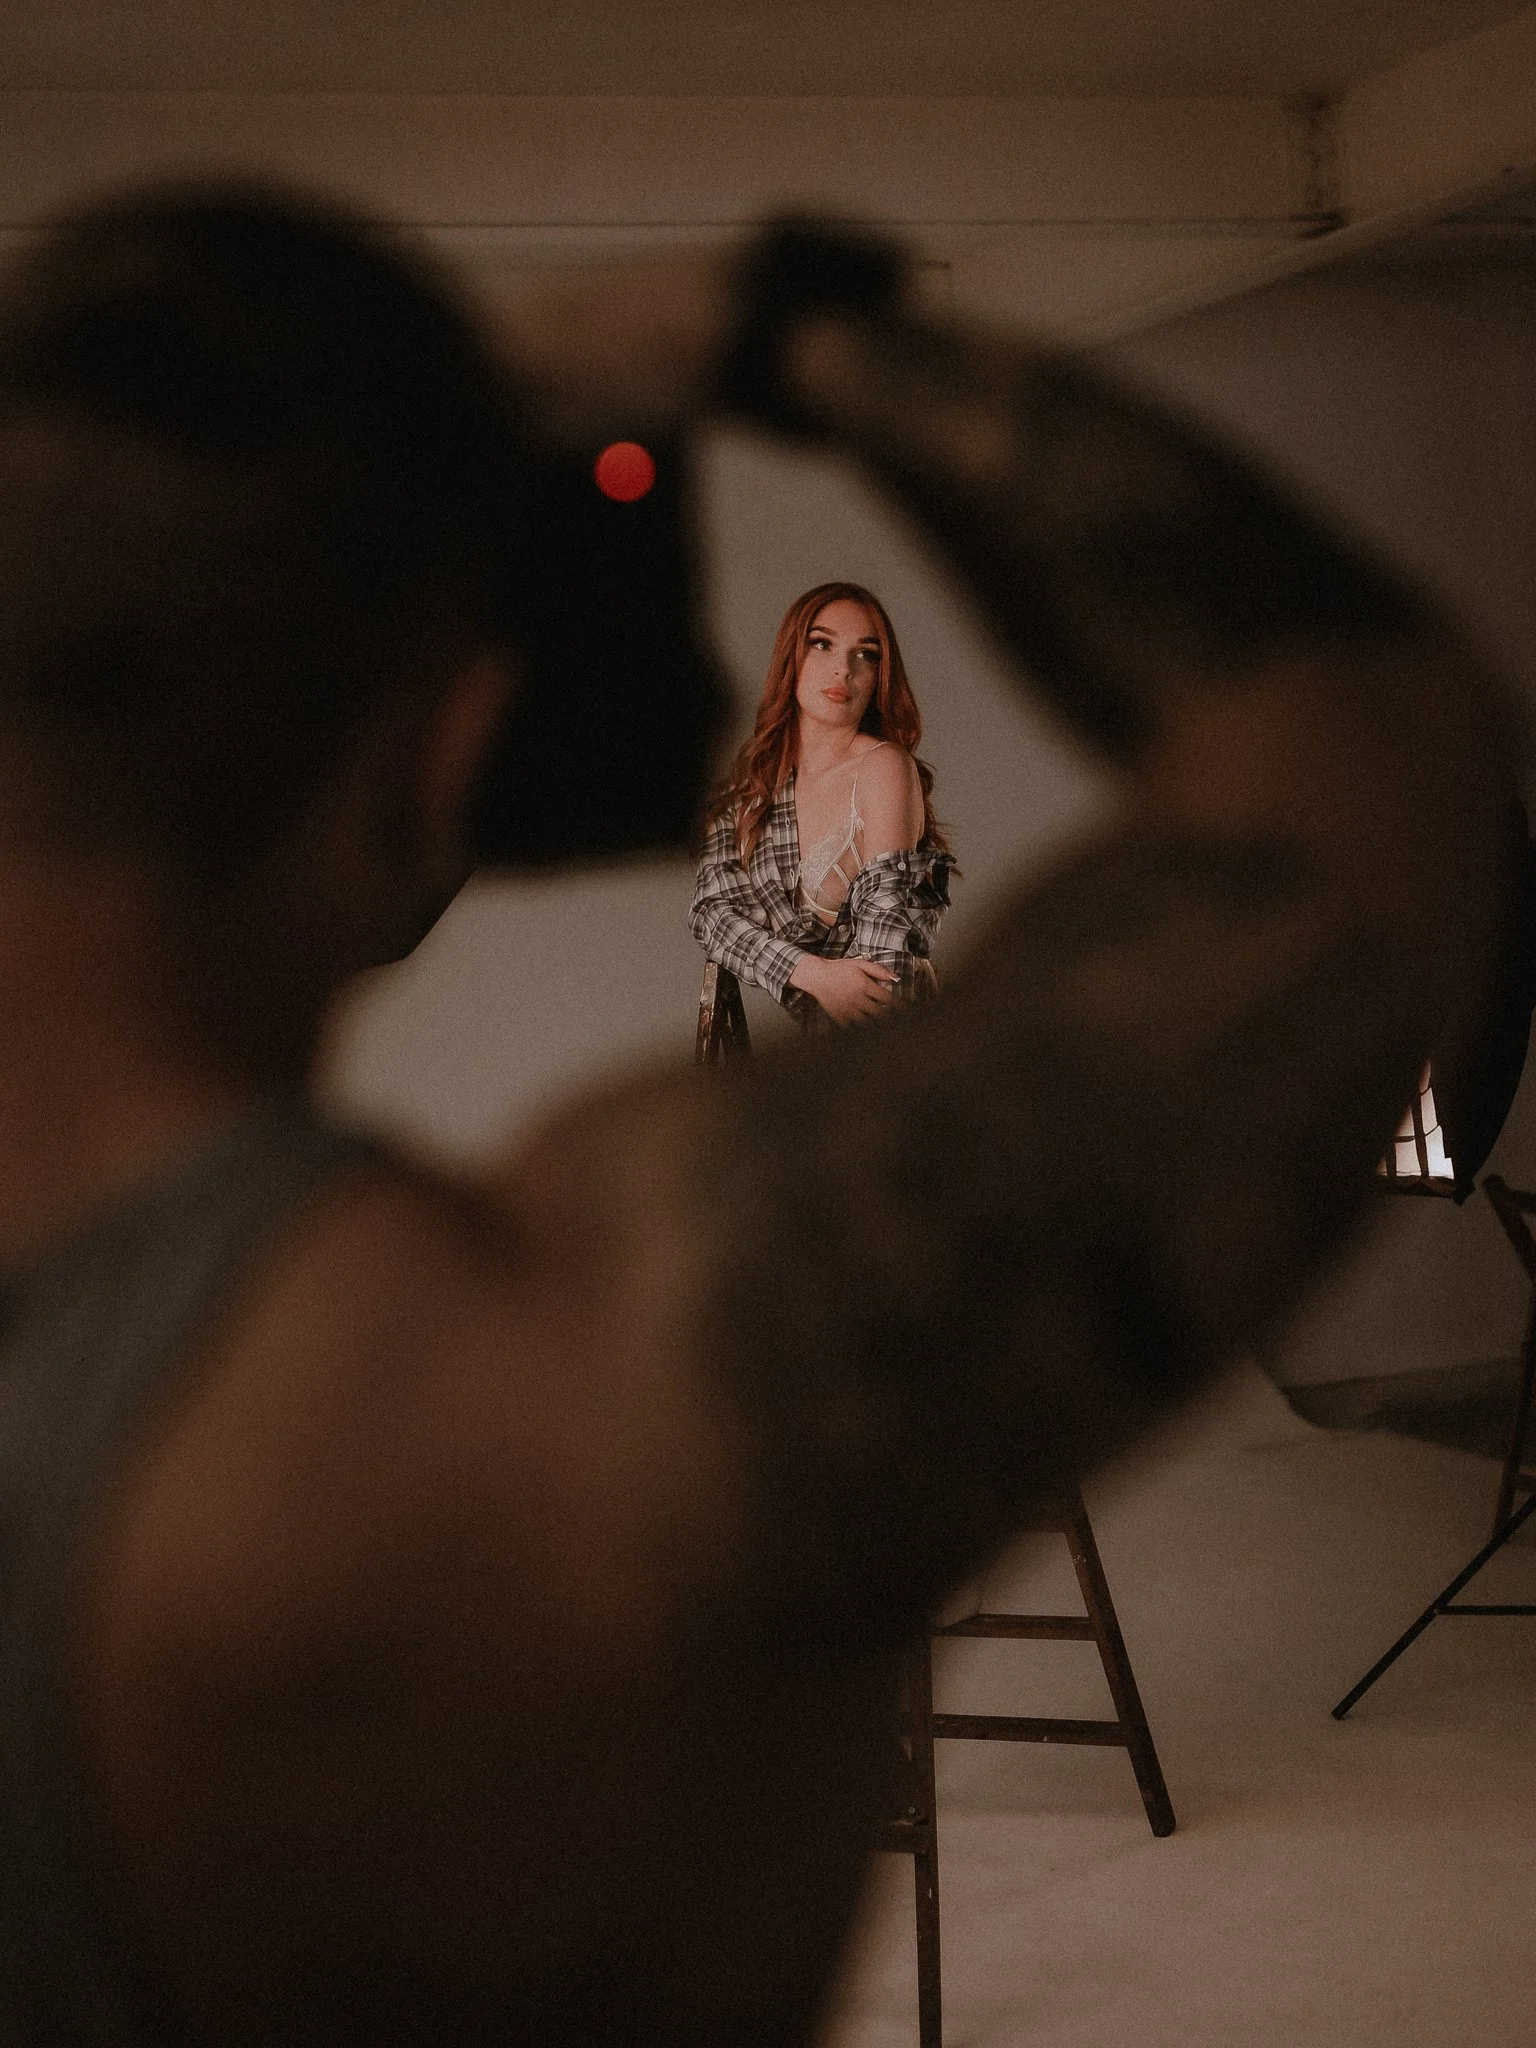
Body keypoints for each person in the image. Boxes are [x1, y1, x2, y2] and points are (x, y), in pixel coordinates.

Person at [0, 179, 1515, 2046]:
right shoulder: (567, 1378)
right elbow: (1379, 765)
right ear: (454, 761)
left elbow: (859, 933)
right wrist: (791, 334)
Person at [690, 581, 955, 1028]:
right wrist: (811, 973)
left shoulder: (884, 767)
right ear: (792, 657)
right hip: (819, 1041)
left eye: (865, 654)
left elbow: (887, 952)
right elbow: (712, 917)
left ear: (879, 677)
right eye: (822, 644)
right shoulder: (746, 795)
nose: (843, 670)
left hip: (893, 1025)